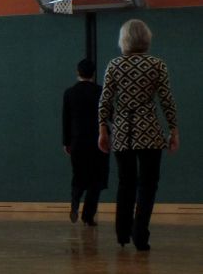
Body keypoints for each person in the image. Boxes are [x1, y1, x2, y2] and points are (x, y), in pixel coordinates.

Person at [98, 19, 178, 251]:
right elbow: (166, 100)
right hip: (150, 131)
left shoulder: (114, 65)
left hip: (123, 130)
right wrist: (173, 129)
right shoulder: (157, 65)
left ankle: (122, 233)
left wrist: (102, 129)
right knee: (148, 184)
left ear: (124, 40)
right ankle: (140, 234)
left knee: (126, 183)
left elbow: (105, 100)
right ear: (147, 38)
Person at [62, 59, 109, 226]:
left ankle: (75, 203)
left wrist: (66, 142)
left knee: (78, 175)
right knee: (96, 180)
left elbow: (66, 119)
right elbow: (108, 115)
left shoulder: (69, 93)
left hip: (77, 140)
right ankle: (88, 216)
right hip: (98, 141)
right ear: (93, 74)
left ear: (78, 72)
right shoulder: (101, 92)